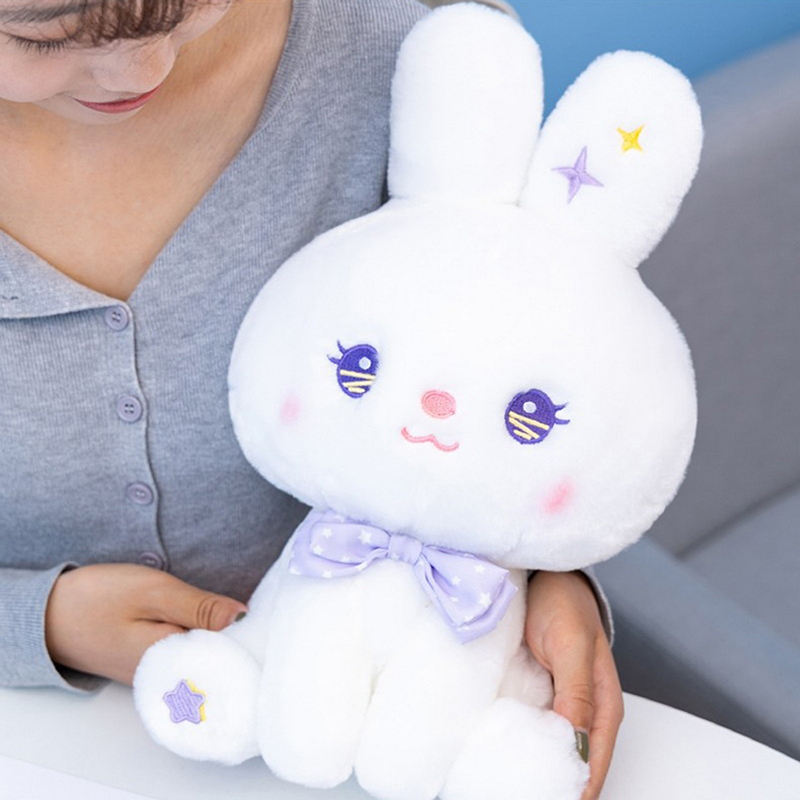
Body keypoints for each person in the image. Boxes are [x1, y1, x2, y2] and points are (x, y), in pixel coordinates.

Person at [0, 1, 622, 797]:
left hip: (394, 729)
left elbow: (555, 372)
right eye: (45, 36)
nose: (142, 71)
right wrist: (36, 622)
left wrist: (548, 570)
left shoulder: (406, 52)